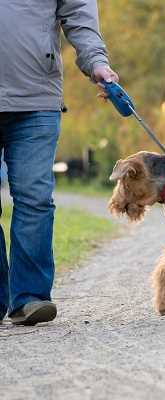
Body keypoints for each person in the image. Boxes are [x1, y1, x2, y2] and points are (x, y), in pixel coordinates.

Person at [0, 0, 118, 325]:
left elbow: (79, 13)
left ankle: (29, 298)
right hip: (33, 96)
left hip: (35, 97)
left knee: (34, 198)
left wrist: (96, 61)